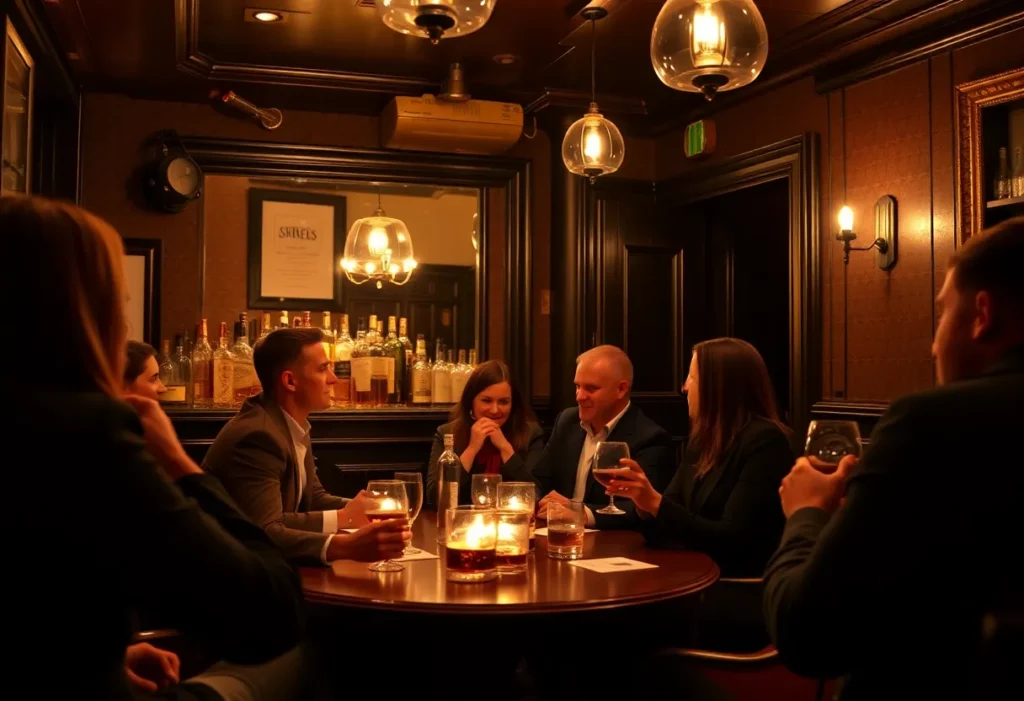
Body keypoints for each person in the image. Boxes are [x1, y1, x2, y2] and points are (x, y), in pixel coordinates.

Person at [6, 195, 305, 700]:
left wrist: (107, 652)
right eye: (117, 306)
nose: (124, 328)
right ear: (78, 316)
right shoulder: (87, 432)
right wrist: (180, 463)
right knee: (309, 654)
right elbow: (269, 614)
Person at [763, 217, 1024, 699]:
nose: (933, 345)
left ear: (981, 314)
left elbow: (808, 634)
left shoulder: (931, 423)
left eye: (942, 315)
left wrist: (805, 512)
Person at [607, 338, 793, 650]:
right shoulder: (703, 440)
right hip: (690, 583)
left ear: (719, 386)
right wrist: (644, 505)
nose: (683, 387)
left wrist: (656, 503)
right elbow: (668, 521)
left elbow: (733, 541)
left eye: (691, 377)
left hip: (735, 594)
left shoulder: (765, 442)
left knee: (613, 625)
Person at [203, 327, 410, 565]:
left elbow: (313, 497)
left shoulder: (290, 421)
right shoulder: (257, 436)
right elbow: (265, 531)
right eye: (323, 369)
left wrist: (368, 508)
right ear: (290, 381)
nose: (333, 378)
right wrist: (346, 542)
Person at [533, 345, 673, 530]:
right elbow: (539, 479)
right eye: (577, 386)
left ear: (621, 389)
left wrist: (581, 513)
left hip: (612, 543)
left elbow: (643, 510)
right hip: (557, 534)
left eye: (591, 388)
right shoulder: (567, 421)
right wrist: (537, 501)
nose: (579, 396)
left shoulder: (650, 437)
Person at [425, 359, 544, 506]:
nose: (494, 410)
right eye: (486, 401)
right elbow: (434, 498)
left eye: (503, 402)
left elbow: (536, 495)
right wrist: (472, 449)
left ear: (513, 404)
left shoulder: (531, 434)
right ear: (471, 401)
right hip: (464, 519)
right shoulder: (447, 433)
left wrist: (505, 448)